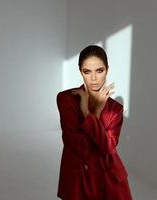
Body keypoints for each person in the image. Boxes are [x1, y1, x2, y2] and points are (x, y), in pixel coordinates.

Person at [56, 45, 133, 200]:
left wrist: (88, 113)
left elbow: (108, 148)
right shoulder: (66, 99)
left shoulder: (115, 109)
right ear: (80, 72)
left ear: (107, 70)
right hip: (78, 179)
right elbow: (80, 146)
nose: (93, 78)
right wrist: (96, 112)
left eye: (99, 70)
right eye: (87, 71)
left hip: (109, 179)